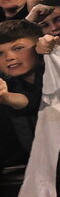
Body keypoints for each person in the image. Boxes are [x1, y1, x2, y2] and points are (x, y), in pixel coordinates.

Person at [0, 20, 48, 172]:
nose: (9, 57)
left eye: (18, 48)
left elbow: (38, 100)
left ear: (39, 47)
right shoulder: (7, 82)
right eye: (0, 53)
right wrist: (5, 98)